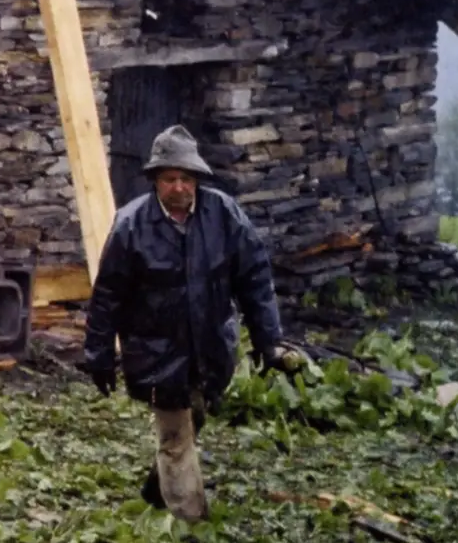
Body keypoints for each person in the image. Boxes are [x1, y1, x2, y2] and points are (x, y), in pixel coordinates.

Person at [82, 125, 304, 521]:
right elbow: (108, 296)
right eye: (169, 179)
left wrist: (269, 341)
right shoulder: (131, 227)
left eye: (186, 178)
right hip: (156, 351)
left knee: (195, 415)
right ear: (155, 181)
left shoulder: (224, 215)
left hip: (210, 345)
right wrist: (98, 354)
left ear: (197, 179)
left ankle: (156, 490)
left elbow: (254, 278)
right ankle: (192, 524)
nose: (179, 187)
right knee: (175, 435)